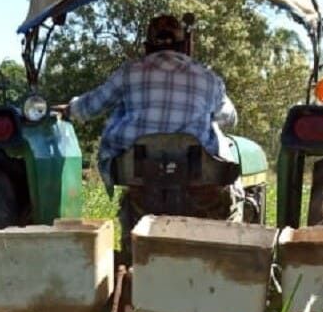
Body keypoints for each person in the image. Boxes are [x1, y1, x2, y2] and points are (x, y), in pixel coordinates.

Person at [62, 14, 237, 188]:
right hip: (195, 169)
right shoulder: (208, 78)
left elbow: (91, 106)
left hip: (134, 169)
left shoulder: (129, 72)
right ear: (184, 45)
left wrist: (70, 109)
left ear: (148, 46)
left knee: (120, 111)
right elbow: (230, 118)